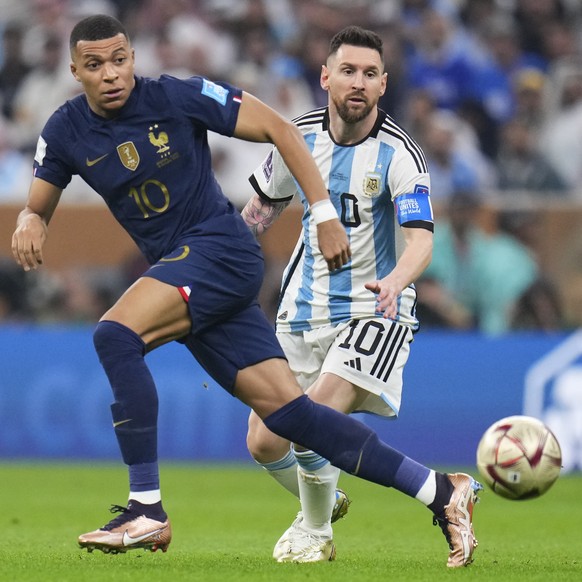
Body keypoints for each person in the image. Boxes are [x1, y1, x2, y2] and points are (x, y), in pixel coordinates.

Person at [11, 15, 480, 567]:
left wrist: (324, 212)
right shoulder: (65, 129)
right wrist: (31, 218)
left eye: (119, 60)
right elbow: (41, 197)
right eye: (95, 65)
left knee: (115, 334)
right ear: (75, 71)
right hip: (194, 270)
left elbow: (281, 129)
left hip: (218, 250)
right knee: (292, 421)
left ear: (134, 59)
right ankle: (441, 492)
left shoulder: (178, 96)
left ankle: (147, 509)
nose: (110, 74)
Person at [242, 25, 482, 567]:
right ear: (325, 76)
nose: (358, 82)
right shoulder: (295, 136)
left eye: (370, 74)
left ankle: (317, 529)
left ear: (383, 85)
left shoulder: (400, 154)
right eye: (347, 70)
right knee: (263, 440)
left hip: (375, 309)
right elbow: (257, 214)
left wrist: (397, 281)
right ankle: (411, 491)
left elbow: (422, 240)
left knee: (312, 422)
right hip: (300, 311)